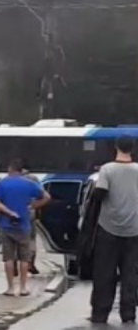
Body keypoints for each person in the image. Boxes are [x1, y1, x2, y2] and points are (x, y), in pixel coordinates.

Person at [89, 135, 138, 324]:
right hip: (134, 229)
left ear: (116, 147)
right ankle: (128, 313)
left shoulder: (107, 169)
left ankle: (101, 313)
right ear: (132, 148)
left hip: (108, 229)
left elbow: (100, 194)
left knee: (104, 273)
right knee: (130, 274)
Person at [0, 159, 50, 297]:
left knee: (9, 258)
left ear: (10, 169)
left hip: (6, 225)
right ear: (21, 170)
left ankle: (10, 288)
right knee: (24, 258)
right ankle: (23, 288)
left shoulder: (2, 184)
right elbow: (47, 197)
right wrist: (32, 206)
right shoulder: (29, 184)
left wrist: (8, 212)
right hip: (24, 225)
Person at [21, 166, 42, 275]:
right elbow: (41, 196)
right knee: (31, 239)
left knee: (15, 239)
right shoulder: (33, 179)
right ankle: (30, 263)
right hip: (30, 212)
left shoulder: (13, 179)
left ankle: (14, 264)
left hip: (14, 213)